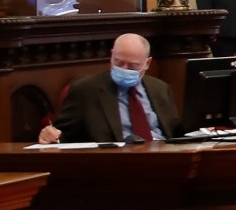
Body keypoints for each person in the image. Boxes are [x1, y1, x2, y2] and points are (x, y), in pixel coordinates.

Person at [39, 33, 182, 143]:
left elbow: (175, 133)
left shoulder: (160, 89)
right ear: (111, 55)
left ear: (147, 63)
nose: (124, 70)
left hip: (164, 159)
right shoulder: (85, 90)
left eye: (133, 66)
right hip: (114, 166)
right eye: (119, 63)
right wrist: (49, 135)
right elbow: (61, 136)